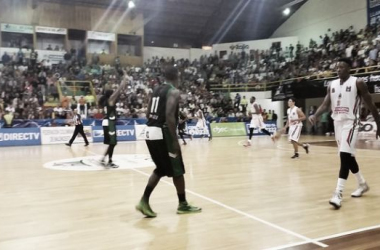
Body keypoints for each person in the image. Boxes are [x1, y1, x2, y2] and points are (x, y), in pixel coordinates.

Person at [309, 58, 380, 209]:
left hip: (351, 123)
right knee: (349, 157)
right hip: (337, 124)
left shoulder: (358, 82)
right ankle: (362, 184)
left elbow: (371, 104)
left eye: (341, 67)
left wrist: (379, 124)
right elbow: (325, 104)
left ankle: (338, 193)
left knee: (344, 156)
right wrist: (315, 114)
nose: (338, 69)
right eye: (337, 67)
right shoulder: (332, 84)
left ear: (349, 68)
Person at [136, 66, 202, 218]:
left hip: (149, 131)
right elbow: (169, 116)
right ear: (176, 77)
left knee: (160, 169)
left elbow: (147, 113)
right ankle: (183, 204)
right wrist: (174, 140)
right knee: (177, 169)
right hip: (162, 132)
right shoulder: (173, 91)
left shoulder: (156, 90)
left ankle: (144, 201)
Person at [98, 76, 128, 168]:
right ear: (111, 95)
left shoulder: (106, 102)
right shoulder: (110, 100)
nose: (115, 96)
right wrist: (123, 81)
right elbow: (118, 90)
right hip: (109, 123)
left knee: (112, 143)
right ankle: (110, 161)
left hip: (106, 122)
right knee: (113, 143)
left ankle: (104, 159)